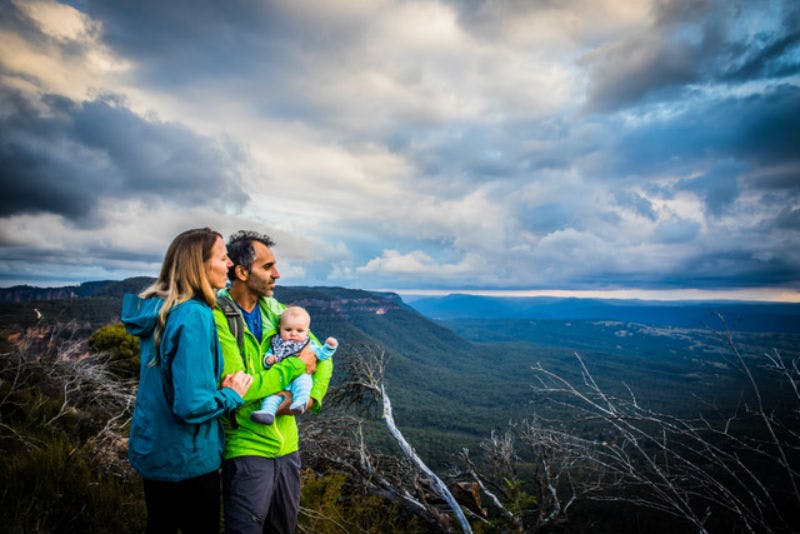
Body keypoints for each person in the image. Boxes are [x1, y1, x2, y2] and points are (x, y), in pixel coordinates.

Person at [121, 227, 254, 534]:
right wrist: (231, 394)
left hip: (155, 449)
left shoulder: (159, 308)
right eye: (223, 258)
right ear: (200, 265)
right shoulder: (194, 315)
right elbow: (192, 405)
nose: (230, 265)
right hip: (187, 457)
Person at [214, 230, 333, 534]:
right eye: (267, 267)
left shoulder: (277, 312)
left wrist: (307, 400)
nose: (276, 274)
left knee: (283, 529)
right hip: (247, 447)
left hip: (288, 445)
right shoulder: (219, 317)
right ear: (241, 272)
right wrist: (296, 365)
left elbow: (322, 357)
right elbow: (244, 388)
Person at [250, 305, 338, 425]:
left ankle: (300, 402)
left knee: (303, 385)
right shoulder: (277, 344)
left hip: (300, 376)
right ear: (279, 328)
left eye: (299, 331)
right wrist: (268, 360)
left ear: (307, 332)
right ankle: (267, 412)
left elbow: (322, 355)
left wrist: (329, 347)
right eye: (288, 330)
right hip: (279, 380)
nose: (293, 334)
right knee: (271, 396)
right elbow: (268, 355)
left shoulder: (309, 345)